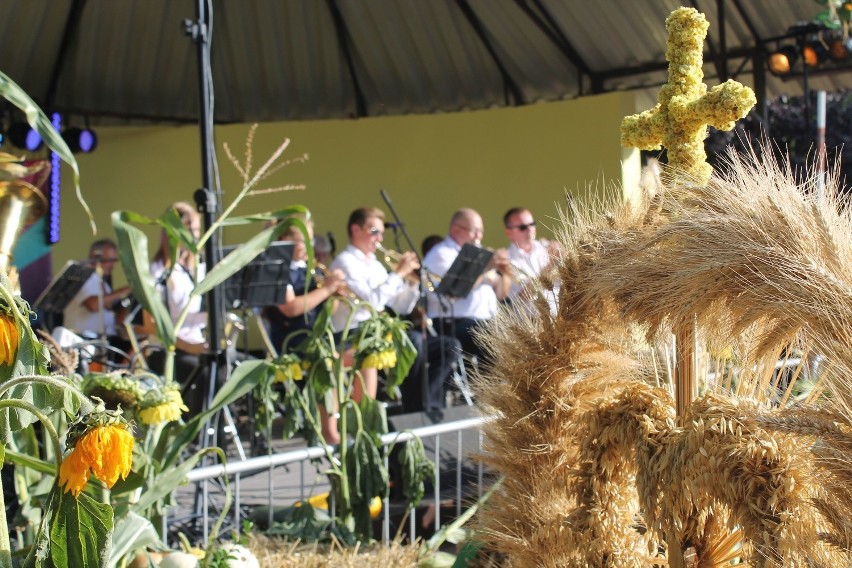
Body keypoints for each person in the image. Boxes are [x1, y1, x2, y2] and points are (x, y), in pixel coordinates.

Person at [332, 207, 460, 413]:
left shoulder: (375, 264)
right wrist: (399, 273)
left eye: (382, 232)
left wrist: (412, 283)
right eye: (375, 231)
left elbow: (401, 306)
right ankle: (413, 408)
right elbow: (372, 302)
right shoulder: (346, 261)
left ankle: (430, 404)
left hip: (377, 334)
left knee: (449, 346)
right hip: (354, 334)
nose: (380, 238)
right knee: (413, 341)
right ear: (356, 229)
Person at [142, 202, 209, 414]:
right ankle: (195, 431)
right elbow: (151, 326)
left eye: (197, 230)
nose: (195, 236)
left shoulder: (196, 269)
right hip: (168, 351)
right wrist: (190, 347)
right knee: (207, 373)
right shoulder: (157, 272)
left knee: (233, 365)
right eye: (189, 230)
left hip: (197, 344)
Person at [422, 208, 511, 365]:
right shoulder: (442, 253)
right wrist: (484, 269)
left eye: (481, 231)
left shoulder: (477, 254)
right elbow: (454, 292)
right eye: (474, 231)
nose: (479, 236)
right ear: (456, 229)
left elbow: (501, 294)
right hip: (452, 322)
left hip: (482, 322)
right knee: (494, 335)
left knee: (511, 332)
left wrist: (506, 273)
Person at [63, 239, 133, 340]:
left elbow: (108, 307)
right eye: (110, 260)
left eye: (114, 261)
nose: (113, 266)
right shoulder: (82, 277)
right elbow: (93, 305)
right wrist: (121, 292)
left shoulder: (102, 283)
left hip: (103, 341)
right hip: (82, 341)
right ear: (95, 257)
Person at [502, 207, 559, 308]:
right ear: (508, 232)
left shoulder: (548, 247)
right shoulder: (506, 260)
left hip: (562, 317)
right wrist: (552, 265)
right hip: (531, 320)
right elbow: (525, 295)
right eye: (523, 227)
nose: (529, 229)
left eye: (532, 224)